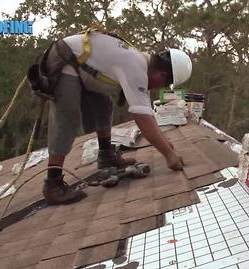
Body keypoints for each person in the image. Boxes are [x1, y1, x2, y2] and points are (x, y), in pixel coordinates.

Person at [41, 31, 193, 205]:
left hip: (81, 63)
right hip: (66, 59)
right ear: (161, 75)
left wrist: (165, 143)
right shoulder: (136, 67)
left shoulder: (139, 61)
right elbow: (142, 116)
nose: (158, 88)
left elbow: (147, 112)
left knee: (104, 104)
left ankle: (106, 156)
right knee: (67, 117)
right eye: (163, 85)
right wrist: (169, 155)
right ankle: (53, 184)